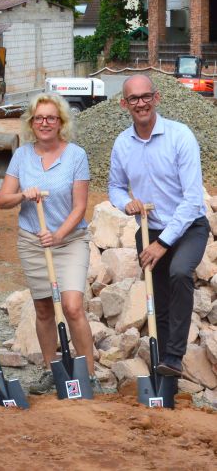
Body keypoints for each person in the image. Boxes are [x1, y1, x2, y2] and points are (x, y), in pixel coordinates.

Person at [0, 93, 101, 395]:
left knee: (72, 306)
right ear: (32, 122)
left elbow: (80, 207)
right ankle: (49, 368)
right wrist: (23, 195)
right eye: (39, 118)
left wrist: (57, 236)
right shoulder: (21, 156)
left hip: (69, 241)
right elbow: (3, 200)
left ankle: (89, 374)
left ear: (60, 122)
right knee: (43, 308)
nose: (45, 123)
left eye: (51, 118)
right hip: (33, 241)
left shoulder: (76, 155)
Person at [108, 74, 209, 377]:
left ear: (157, 98)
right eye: (134, 99)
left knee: (179, 273)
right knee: (159, 295)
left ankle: (174, 357)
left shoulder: (181, 137)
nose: (141, 103)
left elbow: (192, 201)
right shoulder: (122, 144)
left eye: (146, 96)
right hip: (149, 227)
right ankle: (164, 371)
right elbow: (114, 185)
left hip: (189, 227)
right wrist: (124, 203)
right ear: (124, 104)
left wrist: (162, 243)